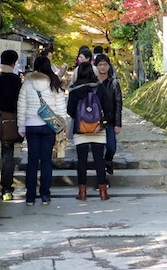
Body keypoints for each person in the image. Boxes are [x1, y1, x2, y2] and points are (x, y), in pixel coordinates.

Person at [16, 55, 67, 205]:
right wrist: (62, 125)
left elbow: (22, 105)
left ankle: (30, 196)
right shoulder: (54, 82)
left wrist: (21, 126)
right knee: (46, 161)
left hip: (31, 125)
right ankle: (45, 195)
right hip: (49, 126)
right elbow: (60, 106)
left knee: (32, 161)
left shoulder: (28, 82)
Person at [67, 61, 112, 201]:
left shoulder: (74, 89)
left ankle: (82, 193)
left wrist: (82, 119)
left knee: (82, 161)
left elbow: (70, 111)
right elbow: (108, 107)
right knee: (99, 160)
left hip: (80, 129)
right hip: (98, 129)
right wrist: (103, 122)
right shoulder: (99, 87)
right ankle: (103, 192)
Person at [0, 49, 22, 201]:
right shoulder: (15, 80)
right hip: (9, 122)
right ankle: (6, 190)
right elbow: (19, 102)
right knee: (8, 156)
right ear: (14, 62)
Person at [94, 53, 122, 177]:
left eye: (105, 64)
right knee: (98, 149)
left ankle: (108, 161)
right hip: (95, 120)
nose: (103, 67)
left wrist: (118, 124)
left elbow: (118, 104)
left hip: (109, 120)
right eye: (100, 65)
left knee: (111, 146)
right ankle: (101, 176)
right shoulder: (93, 83)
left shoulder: (114, 83)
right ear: (96, 66)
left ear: (109, 66)